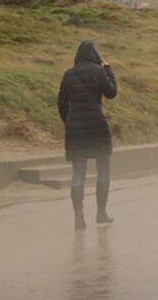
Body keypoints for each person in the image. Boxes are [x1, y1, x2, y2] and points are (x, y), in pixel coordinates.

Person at [58, 41, 118, 230]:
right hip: (98, 125)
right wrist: (108, 70)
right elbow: (111, 93)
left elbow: (61, 103)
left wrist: (69, 121)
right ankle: (101, 213)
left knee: (78, 174)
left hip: (75, 129)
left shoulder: (68, 74)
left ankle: (78, 217)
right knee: (103, 171)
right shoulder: (98, 71)